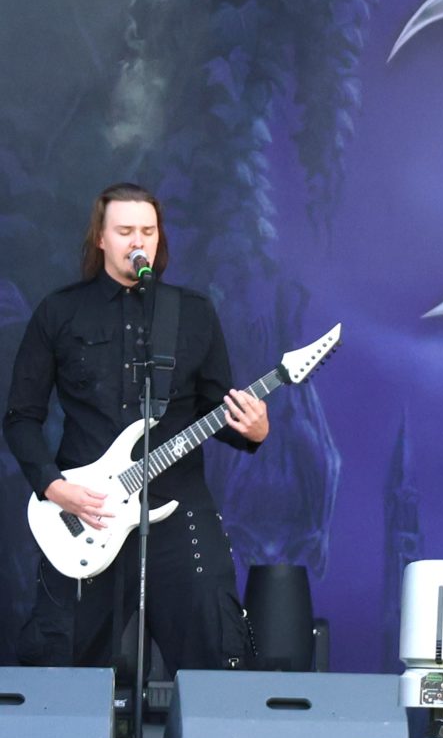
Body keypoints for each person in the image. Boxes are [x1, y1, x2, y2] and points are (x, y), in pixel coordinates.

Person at [6, 184, 267, 677]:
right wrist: (53, 486)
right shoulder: (60, 312)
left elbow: (221, 410)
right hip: (88, 512)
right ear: (100, 238)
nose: (137, 241)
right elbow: (21, 418)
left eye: (147, 230)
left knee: (214, 658)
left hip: (178, 509)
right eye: (125, 230)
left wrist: (253, 430)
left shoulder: (192, 312)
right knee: (63, 666)